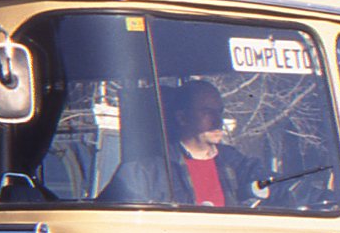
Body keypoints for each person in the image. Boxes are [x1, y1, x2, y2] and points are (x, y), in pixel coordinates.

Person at [100, 79, 270, 206]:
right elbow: (110, 218)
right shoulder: (146, 171)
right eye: (207, 112)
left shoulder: (235, 163)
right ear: (182, 118)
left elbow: (278, 187)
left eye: (219, 111)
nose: (218, 120)